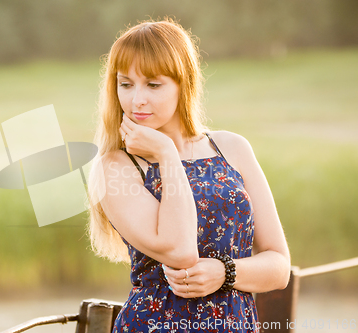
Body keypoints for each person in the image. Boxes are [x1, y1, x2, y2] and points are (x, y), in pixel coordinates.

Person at [87, 17, 291, 333]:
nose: (137, 99)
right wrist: (166, 154)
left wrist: (226, 272)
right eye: (126, 84)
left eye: (153, 84)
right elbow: (180, 251)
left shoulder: (231, 148)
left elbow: (279, 266)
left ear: (185, 83)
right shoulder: (113, 167)